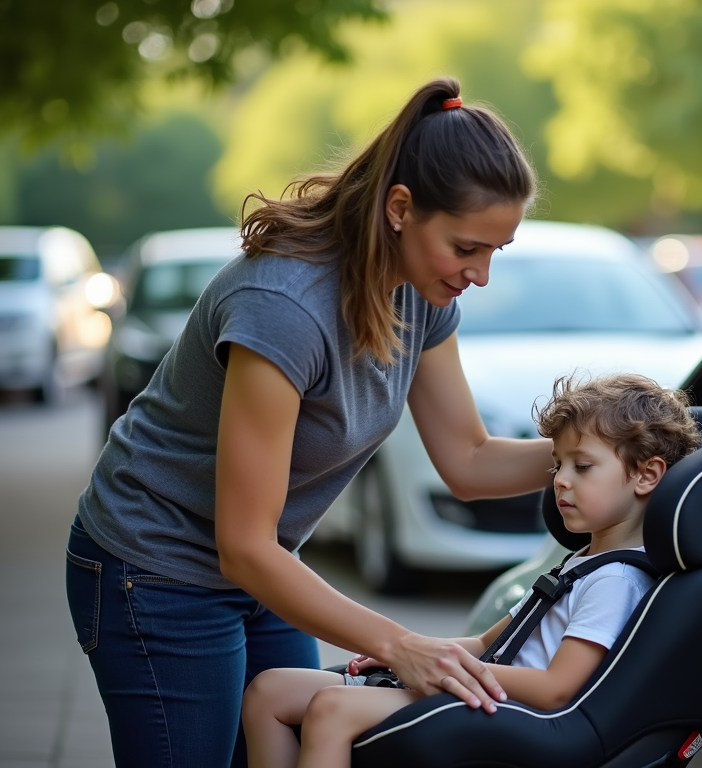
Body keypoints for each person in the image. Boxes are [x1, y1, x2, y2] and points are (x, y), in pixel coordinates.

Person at [64, 77, 558, 768]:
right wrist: (398, 644)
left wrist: (591, 452)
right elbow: (242, 544)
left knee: (296, 743)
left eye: (493, 253)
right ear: (399, 208)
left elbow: (469, 460)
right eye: (466, 248)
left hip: (261, 566)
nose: (479, 275)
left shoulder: (422, 295)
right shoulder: (285, 307)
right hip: (155, 568)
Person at [241, 372, 702, 768]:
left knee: (331, 708)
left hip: (508, 710)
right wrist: (413, 652)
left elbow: (556, 689)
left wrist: (450, 674)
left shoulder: (616, 580)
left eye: (583, 467)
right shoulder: (579, 564)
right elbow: (488, 642)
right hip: (484, 681)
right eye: (557, 464)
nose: (560, 479)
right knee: (270, 691)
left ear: (647, 475)